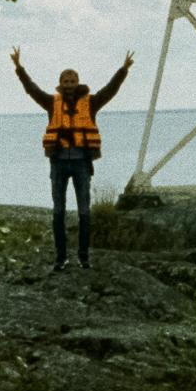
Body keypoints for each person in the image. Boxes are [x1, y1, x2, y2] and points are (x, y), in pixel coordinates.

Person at [11, 46, 133, 272]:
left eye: (72, 80)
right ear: (60, 84)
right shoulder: (51, 102)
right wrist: (19, 68)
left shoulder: (92, 102)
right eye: (65, 81)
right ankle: (60, 258)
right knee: (58, 211)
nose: (69, 84)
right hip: (58, 162)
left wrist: (123, 70)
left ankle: (84, 257)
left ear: (77, 82)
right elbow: (31, 89)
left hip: (81, 164)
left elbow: (110, 90)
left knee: (84, 211)